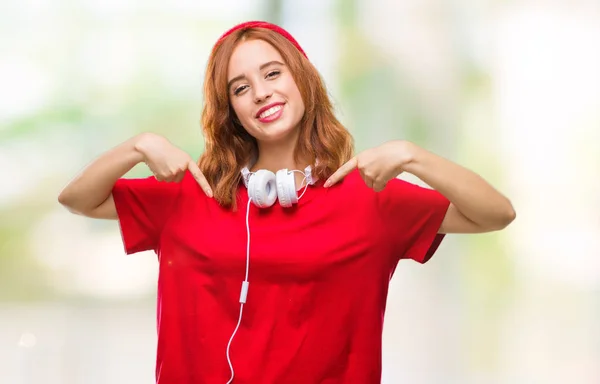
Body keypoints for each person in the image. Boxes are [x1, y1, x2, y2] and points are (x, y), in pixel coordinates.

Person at [58, 20, 515, 384]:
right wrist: (138, 146)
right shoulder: (190, 194)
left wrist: (413, 157)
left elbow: (496, 213)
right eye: (240, 87)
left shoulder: (369, 198)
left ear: (302, 79)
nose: (260, 92)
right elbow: (77, 199)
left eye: (273, 73)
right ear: (230, 110)